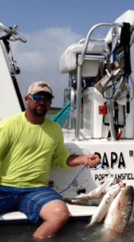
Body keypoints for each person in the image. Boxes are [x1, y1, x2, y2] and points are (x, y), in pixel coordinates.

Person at [0, 81, 101, 239]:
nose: (42, 101)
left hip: (35, 189)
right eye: (37, 96)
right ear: (27, 99)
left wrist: (82, 158)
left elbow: (59, 158)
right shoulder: (8, 125)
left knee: (59, 215)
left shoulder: (54, 130)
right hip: (4, 187)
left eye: (47, 99)